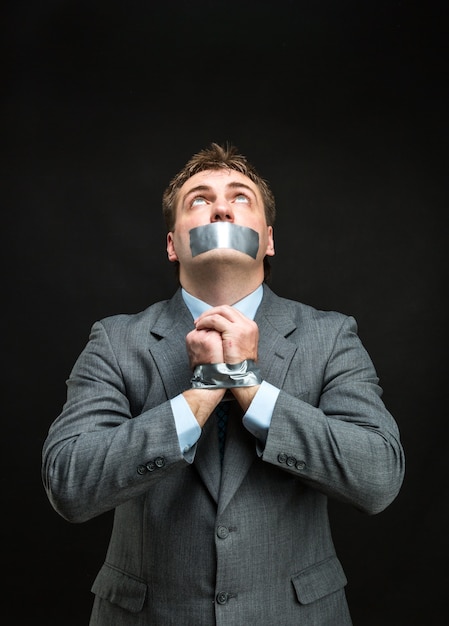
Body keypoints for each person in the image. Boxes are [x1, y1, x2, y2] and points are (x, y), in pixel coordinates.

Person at [42, 142, 405, 626]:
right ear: (172, 244)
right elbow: (70, 482)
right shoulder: (115, 341)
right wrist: (202, 391)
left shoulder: (330, 335)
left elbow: (378, 477)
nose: (219, 206)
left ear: (268, 240)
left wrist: (249, 388)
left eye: (240, 197)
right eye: (198, 199)